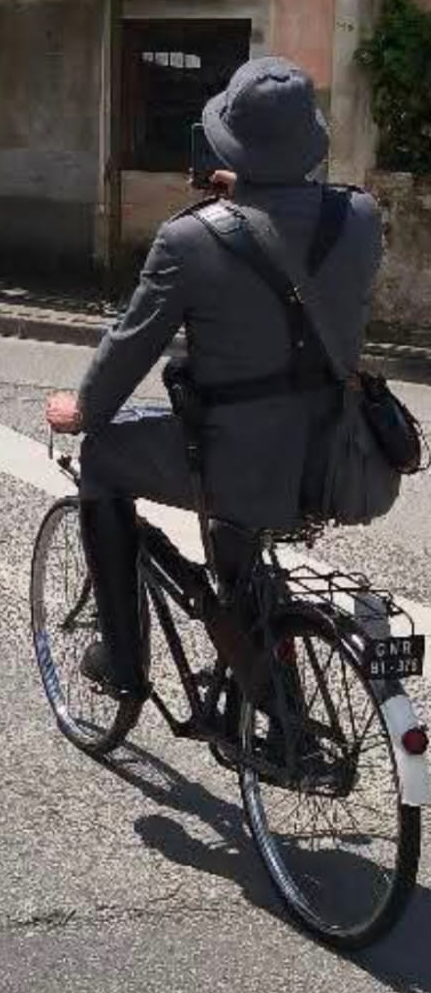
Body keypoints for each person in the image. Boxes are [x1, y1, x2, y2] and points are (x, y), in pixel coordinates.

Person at [44, 56, 384, 702]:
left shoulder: (191, 240)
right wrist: (257, 193)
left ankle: (122, 661)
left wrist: (82, 410)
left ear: (229, 144)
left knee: (103, 461)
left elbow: (130, 346)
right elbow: (304, 232)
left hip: (235, 462)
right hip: (337, 458)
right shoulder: (360, 219)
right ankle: (258, 675)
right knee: (240, 520)